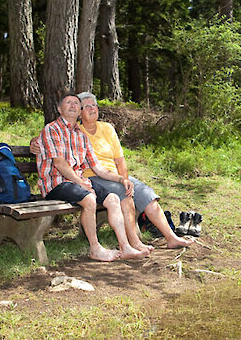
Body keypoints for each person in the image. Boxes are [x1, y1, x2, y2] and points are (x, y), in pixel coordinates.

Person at [34, 93, 150, 262]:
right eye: (69, 103)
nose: (73, 105)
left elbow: (97, 167)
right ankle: (95, 248)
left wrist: (121, 179)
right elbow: (60, 164)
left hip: (77, 183)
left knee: (112, 198)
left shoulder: (80, 135)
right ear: (59, 109)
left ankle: (125, 247)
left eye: (76, 103)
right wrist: (81, 182)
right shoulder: (51, 129)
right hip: (56, 184)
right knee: (89, 198)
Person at [75, 91, 193, 249]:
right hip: (93, 178)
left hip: (116, 177)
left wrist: (125, 179)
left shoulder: (107, 128)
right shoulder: (75, 131)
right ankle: (134, 242)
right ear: (79, 112)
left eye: (94, 105)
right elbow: (48, 135)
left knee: (148, 195)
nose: (92, 108)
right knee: (124, 194)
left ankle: (171, 237)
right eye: (87, 106)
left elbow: (120, 159)